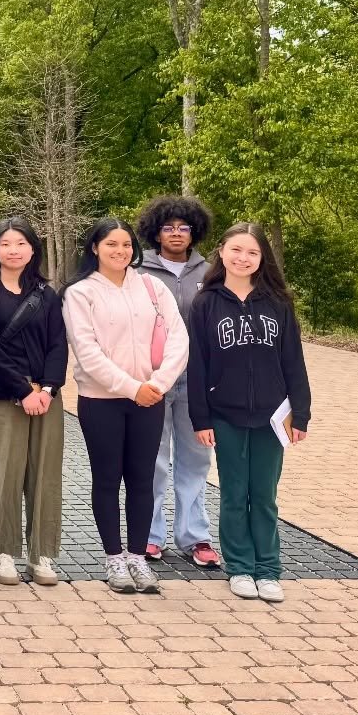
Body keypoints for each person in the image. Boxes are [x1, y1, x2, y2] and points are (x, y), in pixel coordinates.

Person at [63, 218, 190, 595]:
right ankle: (114, 559)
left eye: (126, 245)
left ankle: (138, 557)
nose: (120, 252)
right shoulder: (80, 293)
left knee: (142, 479)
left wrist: (157, 384)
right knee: (106, 478)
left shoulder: (152, 287)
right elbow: (87, 353)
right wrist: (132, 387)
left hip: (150, 398)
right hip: (102, 401)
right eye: (111, 245)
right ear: (95, 249)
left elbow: (178, 338)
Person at [188, 222, 311, 604]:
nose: (243, 258)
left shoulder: (278, 303)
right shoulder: (206, 303)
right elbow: (198, 364)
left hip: (272, 416)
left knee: (264, 495)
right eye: (236, 250)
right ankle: (240, 567)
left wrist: (301, 413)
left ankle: (268, 569)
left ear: (262, 259)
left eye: (252, 252)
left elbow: (293, 360)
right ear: (221, 252)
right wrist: (201, 418)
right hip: (224, 414)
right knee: (233, 493)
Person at [0, 217, 68, 589]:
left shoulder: (47, 293)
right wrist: (24, 391)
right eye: (6, 244)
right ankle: (3, 553)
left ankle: (42, 553)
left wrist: (48, 389)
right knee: (5, 474)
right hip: (3, 395)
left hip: (46, 396)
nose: (13, 250)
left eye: (21, 244)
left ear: (32, 249)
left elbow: (59, 343)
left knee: (44, 476)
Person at [137, 195, 220, 567]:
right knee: (153, 459)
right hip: (154, 379)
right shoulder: (140, 271)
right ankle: (150, 536)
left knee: (196, 460)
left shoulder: (211, 273)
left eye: (183, 227)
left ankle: (195, 536)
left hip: (199, 381)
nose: (175, 233)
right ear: (155, 231)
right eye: (167, 227)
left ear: (194, 231)